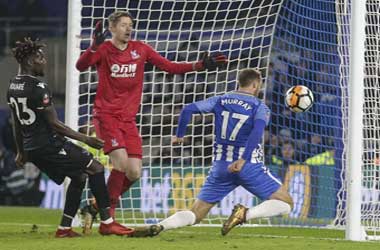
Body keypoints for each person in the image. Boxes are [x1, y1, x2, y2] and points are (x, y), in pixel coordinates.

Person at [75, 11, 227, 218]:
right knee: (120, 162)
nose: (128, 28)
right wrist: (93, 46)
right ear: (112, 28)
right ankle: (107, 215)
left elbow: (170, 67)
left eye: (130, 25)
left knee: (135, 171)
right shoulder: (103, 49)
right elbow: (80, 66)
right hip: (106, 116)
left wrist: (200, 65)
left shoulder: (141, 49)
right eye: (123, 25)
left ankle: (95, 205)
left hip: (128, 120)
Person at [138, 69, 293, 237]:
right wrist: (243, 159)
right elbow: (257, 133)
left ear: (239, 83)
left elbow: (188, 109)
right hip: (248, 166)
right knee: (286, 202)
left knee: (195, 214)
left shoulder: (221, 100)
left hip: (221, 168)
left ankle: (161, 226)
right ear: (255, 84)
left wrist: (179, 135)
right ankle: (245, 214)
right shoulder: (259, 107)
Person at [7, 37, 134, 238]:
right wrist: (86, 139)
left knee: (79, 177)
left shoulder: (12, 86)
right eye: (40, 57)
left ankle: (64, 229)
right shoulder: (38, 88)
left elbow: (16, 122)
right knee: (96, 168)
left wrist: (21, 152)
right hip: (49, 144)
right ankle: (108, 223)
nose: (44, 61)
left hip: (33, 148)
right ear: (30, 62)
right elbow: (55, 125)